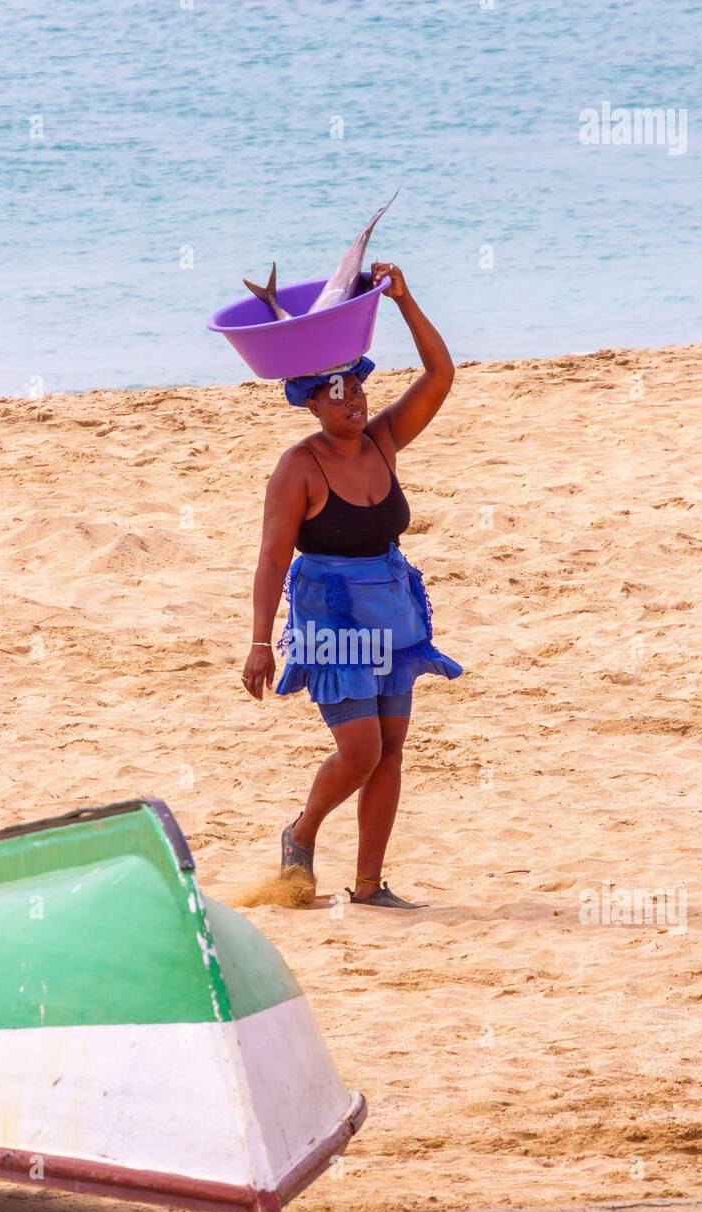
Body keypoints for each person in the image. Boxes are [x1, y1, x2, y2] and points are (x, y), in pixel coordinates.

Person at [242, 263, 461, 908]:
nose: (353, 400)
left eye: (357, 386)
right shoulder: (297, 467)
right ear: (310, 399)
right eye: (335, 392)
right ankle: (302, 831)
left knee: (391, 748)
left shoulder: (384, 441)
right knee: (360, 748)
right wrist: (260, 641)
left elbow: (442, 375)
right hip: (330, 612)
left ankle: (369, 886)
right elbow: (271, 559)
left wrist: (403, 298)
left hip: (392, 605)